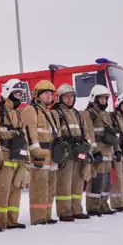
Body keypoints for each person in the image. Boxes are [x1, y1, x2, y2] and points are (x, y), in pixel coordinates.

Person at [0, 78, 29, 231]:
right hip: (3, 156)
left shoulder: (17, 113)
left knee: (15, 189)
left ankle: (12, 221)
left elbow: (23, 137)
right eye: (16, 93)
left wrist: (25, 161)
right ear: (7, 93)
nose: (18, 96)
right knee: (1, 190)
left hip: (17, 157)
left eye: (20, 94)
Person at [21, 80, 61, 226]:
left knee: (50, 187)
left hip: (51, 155)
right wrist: (36, 153)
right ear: (37, 95)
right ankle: (38, 218)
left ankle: (47, 215)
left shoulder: (50, 113)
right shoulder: (31, 110)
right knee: (39, 188)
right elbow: (30, 134)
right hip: (39, 156)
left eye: (51, 94)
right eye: (45, 93)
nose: (49, 96)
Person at [51, 83, 93, 221]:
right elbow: (55, 134)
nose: (70, 99)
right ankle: (64, 212)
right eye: (66, 97)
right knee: (64, 183)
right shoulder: (56, 113)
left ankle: (77, 209)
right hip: (66, 153)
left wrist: (87, 149)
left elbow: (86, 133)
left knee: (78, 182)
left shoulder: (78, 114)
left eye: (72, 97)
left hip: (79, 152)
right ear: (59, 98)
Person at [83, 85, 120, 216]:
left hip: (108, 153)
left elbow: (112, 135)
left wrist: (117, 150)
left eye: (105, 98)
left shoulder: (106, 115)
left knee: (106, 181)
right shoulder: (88, 114)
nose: (104, 101)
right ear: (94, 98)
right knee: (96, 180)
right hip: (97, 153)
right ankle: (93, 207)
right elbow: (89, 134)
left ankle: (104, 205)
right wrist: (94, 150)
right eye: (102, 98)